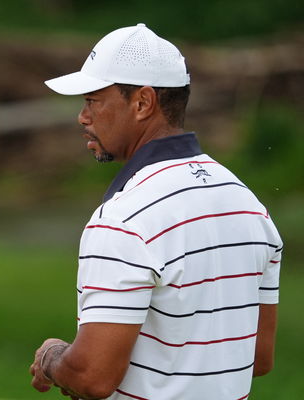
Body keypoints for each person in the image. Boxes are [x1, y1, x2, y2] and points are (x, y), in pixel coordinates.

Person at [30, 24, 282, 400]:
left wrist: (52, 356)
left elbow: (92, 377)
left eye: (93, 100)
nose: (82, 117)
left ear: (143, 103)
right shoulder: (247, 204)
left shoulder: (125, 218)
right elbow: (257, 358)